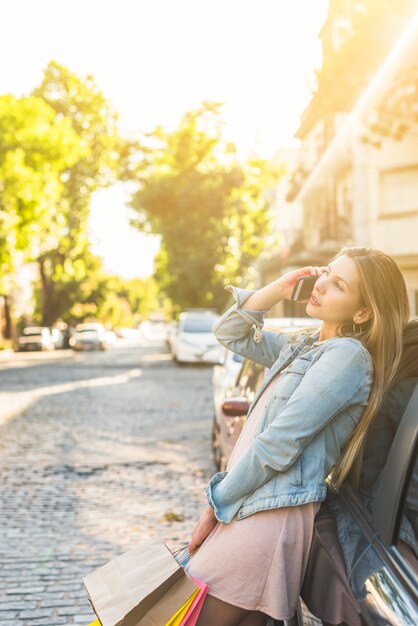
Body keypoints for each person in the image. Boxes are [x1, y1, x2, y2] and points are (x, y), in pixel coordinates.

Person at [186, 246, 410, 626]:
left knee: (185, 617)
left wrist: (215, 503)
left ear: (362, 312)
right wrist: (282, 286)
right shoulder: (305, 345)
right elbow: (231, 332)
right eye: (325, 273)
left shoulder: (347, 358)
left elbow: (279, 444)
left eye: (338, 284)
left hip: (266, 518)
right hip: (250, 509)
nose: (321, 285)